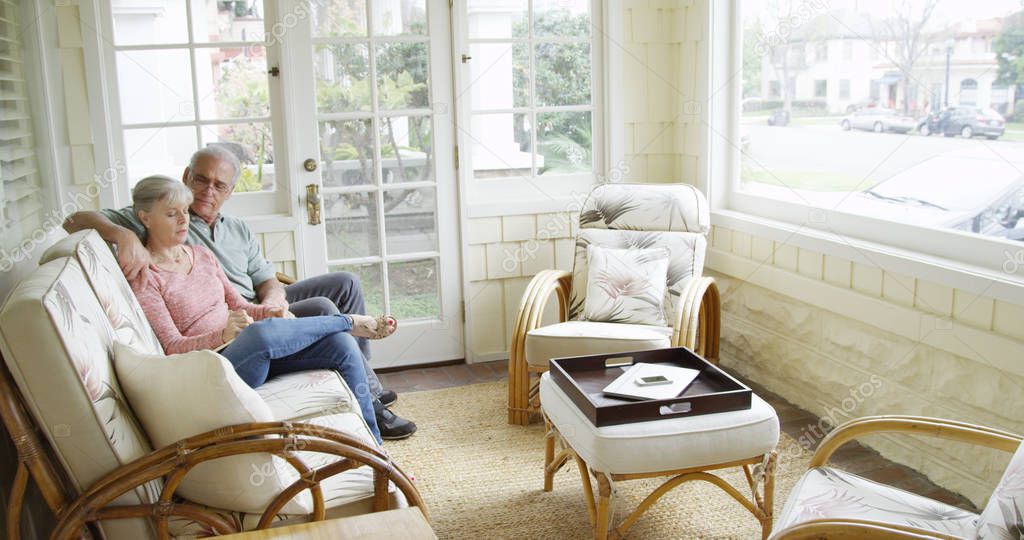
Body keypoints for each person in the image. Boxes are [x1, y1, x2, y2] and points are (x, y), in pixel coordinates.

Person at [63, 147, 416, 439]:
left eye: (219, 185)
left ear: (230, 191)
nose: (206, 192)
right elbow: (75, 219)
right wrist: (122, 236)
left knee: (342, 295)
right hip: (224, 343)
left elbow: (261, 283)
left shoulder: (219, 240)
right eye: (200, 180)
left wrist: (273, 304)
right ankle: (346, 324)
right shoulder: (149, 237)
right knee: (319, 309)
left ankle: (373, 436)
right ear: (185, 179)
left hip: (248, 311)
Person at [127, 175, 394, 444]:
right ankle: (348, 321)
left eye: (185, 211)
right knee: (259, 335)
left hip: (252, 351)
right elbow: (172, 346)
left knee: (341, 345)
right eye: (172, 214)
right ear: (145, 218)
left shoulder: (201, 255)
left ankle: (375, 447)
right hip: (215, 368)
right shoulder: (145, 277)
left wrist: (270, 313)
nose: (184, 220)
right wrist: (222, 336)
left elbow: (240, 306)